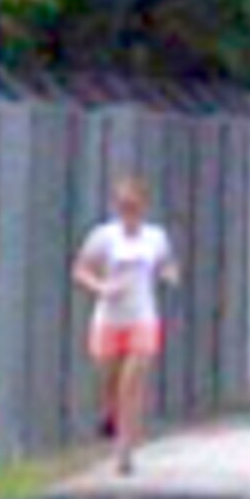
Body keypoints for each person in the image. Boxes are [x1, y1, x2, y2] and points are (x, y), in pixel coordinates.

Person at [72, 177, 179, 476]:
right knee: (109, 383)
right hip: (109, 317)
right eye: (122, 205)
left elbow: (166, 263)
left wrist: (169, 274)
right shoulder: (104, 237)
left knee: (131, 384)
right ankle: (110, 415)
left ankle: (125, 451)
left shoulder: (155, 237)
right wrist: (101, 287)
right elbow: (81, 269)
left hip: (141, 317)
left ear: (143, 206)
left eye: (133, 204)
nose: (127, 210)